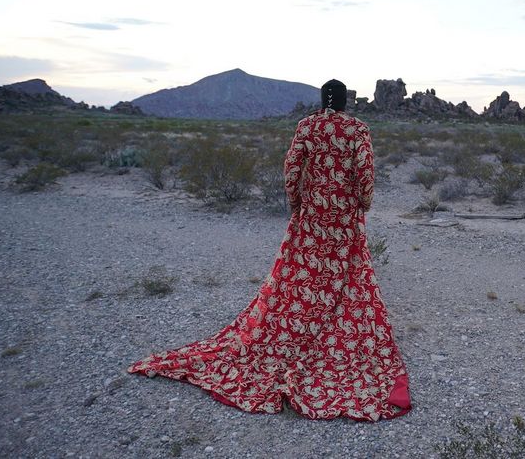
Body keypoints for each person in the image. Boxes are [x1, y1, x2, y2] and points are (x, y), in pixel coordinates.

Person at [126, 79, 412, 421]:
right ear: (346, 102)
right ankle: (336, 332)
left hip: (311, 217)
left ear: (322, 100)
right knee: (346, 276)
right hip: (344, 219)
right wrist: (361, 204)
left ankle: (300, 326)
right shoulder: (357, 129)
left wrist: (296, 203)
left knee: (302, 277)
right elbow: (365, 174)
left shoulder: (307, 126)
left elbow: (292, 167)